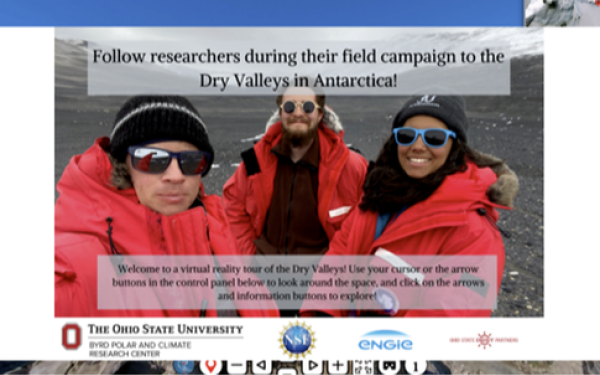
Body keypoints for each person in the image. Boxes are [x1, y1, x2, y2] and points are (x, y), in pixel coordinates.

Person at [55, 95, 277, 317]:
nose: (175, 176)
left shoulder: (217, 231)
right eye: (152, 159)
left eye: (191, 161)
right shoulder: (71, 267)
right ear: (122, 165)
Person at [301, 95, 514, 317]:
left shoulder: (475, 231)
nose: (418, 146)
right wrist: (322, 315)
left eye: (434, 137)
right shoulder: (377, 195)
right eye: (406, 135)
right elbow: (339, 257)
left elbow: (447, 320)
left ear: (455, 146)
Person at [223, 86, 369, 257]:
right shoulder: (255, 160)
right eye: (290, 107)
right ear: (280, 113)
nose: (298, 113)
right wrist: (250, 259)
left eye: (307, 106)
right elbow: (233, 205)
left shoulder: (350, 166)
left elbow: (363, 225)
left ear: (320, 114)